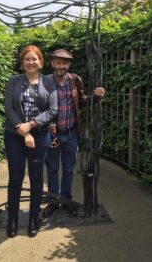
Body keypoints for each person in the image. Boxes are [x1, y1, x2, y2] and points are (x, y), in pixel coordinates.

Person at [43, 49, 105, 218]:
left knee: (69, 169)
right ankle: (54, 202)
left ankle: (67, 200)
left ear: (69, 65)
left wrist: (95, 96)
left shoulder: (75, 80)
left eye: (65, 63)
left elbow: (83, 101)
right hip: (53, 135)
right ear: (52, 64)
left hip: (71, 134)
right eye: (58, 62)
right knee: (53, 169)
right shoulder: (45, 81)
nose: (61, 66)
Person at [4, 45, 58, 238]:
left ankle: (34, 218)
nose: (31, 62)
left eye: (34, 59)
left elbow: (53, 111)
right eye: (27, 59)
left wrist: (32, 124)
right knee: (16, 178)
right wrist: (23, 130)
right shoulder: (14, 81)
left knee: (36, 179)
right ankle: (12, 219)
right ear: (22, 62)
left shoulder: (49, 83)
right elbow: (9, 108)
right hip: (14, 136)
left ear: (41, 62)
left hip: (41, 136)